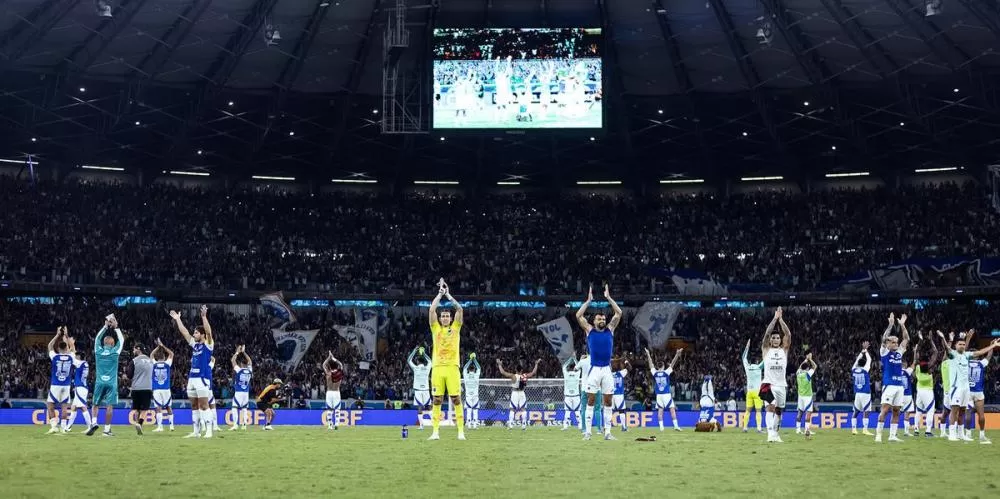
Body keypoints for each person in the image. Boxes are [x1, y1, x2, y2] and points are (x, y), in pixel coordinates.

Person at [576, 284, 623, 441]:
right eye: (599, 318)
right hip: (594, 370)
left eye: (603, 318)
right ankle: (588, 432)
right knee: (590, 400)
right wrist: (588, 301)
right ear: (594, 321)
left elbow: (619, 312)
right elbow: (578, 316)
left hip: (607, 370)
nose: (602, 320)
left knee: (608, 401)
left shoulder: (610, 329)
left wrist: (609, 298)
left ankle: (608, 433)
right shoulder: (589, 330)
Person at [938, 329, 999, 441]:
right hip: (956, 388)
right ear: (956, 346)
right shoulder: (953, 355)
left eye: (963, 344)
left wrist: (993, 346)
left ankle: (961, 434)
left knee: (962, 411)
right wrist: (943, 338)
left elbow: (980, 352)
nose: (962, 346)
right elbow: (946, 348)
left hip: (966, 389)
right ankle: (952, 434)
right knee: (954, 410)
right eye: (960, 344)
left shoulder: (967, 355)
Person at [427, 280, 466, 441]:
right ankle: (435, 432)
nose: (444, 318)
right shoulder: (435, 328)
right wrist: (440, 294)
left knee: (456, 398)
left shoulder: (456, 328)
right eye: (442, 316)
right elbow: (431, 310)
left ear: (450, 319)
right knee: (437, 400)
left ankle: (461, 432)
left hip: (452, 368)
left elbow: (460, 309)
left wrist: (448, 294)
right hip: (437, 368)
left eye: (446, 316)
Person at [170, 306, 214, 439]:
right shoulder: (195, 345)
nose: (193, 334)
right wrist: (178, 319)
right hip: (192, 378)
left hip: (202, 379)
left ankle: (209, 431)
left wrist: (204, 316)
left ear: (202, 335)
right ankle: (196, 431)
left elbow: (209, 332)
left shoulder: (208, 344)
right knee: (194, 406)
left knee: (204, 405)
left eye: (196, 333)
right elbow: (184, 333)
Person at [875, 313, 909, 443]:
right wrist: (890, 325)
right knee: (885, 409)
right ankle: (878, 435)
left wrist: (902, 325)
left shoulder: (899, 352)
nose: (896, 343)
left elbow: (906, 338)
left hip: (899, 386)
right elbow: (884, 338)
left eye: (896, 342)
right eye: (893, 342)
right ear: (888, 343)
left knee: (896, 411)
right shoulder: (884, 352)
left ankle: (892, 435)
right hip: (889, 385)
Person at [88, 314, 124, 437]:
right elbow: (122, 340)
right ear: (113, 344)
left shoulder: (98, 350)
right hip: (111, 383)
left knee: (95, 404)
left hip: (99, 382)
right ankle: (107, 430)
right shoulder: (115, 352)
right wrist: (116, 327)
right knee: (109, 406)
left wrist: (105, 326)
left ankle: (93, 423)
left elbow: (97, 338)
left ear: (103, 343)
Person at [759, 307, 791, 443]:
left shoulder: (784, 350)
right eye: (774, 338)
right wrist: (774, 319)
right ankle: (770, 434)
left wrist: (781, 319)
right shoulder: (766, 350)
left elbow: (788, 335)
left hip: (781, 385)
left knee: (779, 411)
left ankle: (775, 433)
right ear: (771, 340)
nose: (776, 339)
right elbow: (766, 334)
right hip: (768, 384)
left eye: (778, 337)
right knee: (770, 408)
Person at [645, 347, 683, 432]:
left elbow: (650, 364)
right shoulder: (666, 373)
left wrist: (648, 354)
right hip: (666, 394)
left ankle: (661, 428)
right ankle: (676, 426)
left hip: (659, 395)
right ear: (663, 366)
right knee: (672, 410)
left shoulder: (655, 373)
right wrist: (677, 354)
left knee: (660, 411)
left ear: (658, 366)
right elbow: (673, 363)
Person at [497, 359, 540, 430]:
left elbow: (503, 372)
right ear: (521, 370)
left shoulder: (513, 376)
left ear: (515, 370)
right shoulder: (524, 376)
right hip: (522, 393)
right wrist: (536, 364)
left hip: (514, 393)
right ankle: (523, 426)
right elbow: (533, 373)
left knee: (512, 409)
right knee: (523, 409)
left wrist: (499, 364)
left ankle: (510, 425)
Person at [45, 326, 74, 435]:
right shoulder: (71, 356)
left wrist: (58, 334)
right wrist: (66, 335)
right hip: (66, 385)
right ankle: (63, 428)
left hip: (55, 384)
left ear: (58, 348)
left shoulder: (55, 357)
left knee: (50, 405)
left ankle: (54, 427)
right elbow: (73, 348)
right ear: (67, 349)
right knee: (64, 407)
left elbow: (49, 346)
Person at [912, 332, 940, 437]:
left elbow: (915, 357)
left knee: (918, 411)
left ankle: (916, 430)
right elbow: (936, 353)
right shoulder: (929, 370)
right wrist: (931, 340)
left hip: (919, 391)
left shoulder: (918, 368)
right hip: (928, 392)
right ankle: (928, 431)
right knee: (930, 411)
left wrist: (919, 342)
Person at [967, 343, 995, 444]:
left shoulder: (965, 362)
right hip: (978, 392)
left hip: (968, 392)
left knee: (968, 414)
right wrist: (992, 346)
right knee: (981, 415)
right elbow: (988, 356)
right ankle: (982, 436)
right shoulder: (981, 363)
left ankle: (968, 436)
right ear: (978, 354)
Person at [66, 335, 94, 432]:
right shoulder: (84, 363)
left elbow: (72, 354)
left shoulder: (80, 363)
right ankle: (68, 427)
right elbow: (74, 354)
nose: (76, 356)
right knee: (74, 407)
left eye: (77, 356)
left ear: (79, 357)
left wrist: (71, 344)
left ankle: (90, 426)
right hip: (81, 387)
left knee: (83, 407)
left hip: (81, 388)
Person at [129, 345, 154, 435]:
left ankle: (137, 423)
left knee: (136, 408)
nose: (133, 350)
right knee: (144, 409)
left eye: (134, 348)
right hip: (147, 388)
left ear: (138, 349)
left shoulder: (134, 361)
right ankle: (140, 424)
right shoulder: (150, 360)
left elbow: (129, 375)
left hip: (136, 388)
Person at [151, 338, 175, 432]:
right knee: (169, 407)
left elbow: (151, 355)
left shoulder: (154, 364)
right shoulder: (167, 364)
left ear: (157, 358)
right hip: (166, 389)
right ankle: (171, 426)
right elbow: (171, 354)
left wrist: (158, 346)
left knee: (158, 408)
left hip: (157, 389)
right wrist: (163, 346)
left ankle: (160, 427)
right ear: (164, 358)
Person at [740, 339, 764, 433]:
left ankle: (745, 428)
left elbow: (743, 358)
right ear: (757, 361)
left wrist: (747, 347)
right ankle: (758, 428)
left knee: (748, 411)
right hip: (757, 392)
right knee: (758, 411)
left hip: (749, 392)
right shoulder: (759, 367)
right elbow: (766, 359)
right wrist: (766, 348)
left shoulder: (747, 367)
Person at [850, 342, 873, 436]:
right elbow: (870, 359)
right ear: (864, 365)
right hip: (865, 393)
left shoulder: (853, 370)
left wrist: (862, 352)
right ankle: (865, 429)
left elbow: (856, 360)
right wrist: (866, 351)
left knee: (856, 411)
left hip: (857, 393)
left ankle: (854, 429)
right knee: (866, 411)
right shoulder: (865, 370)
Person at [407, 345, 433, 430]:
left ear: (417, 362)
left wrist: (414, 351)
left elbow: (408, 360)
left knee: (419, 408)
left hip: (418, 390)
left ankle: (421, 426)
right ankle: (434, 423)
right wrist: (424, 353)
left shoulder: (416, 368)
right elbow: (430, 361)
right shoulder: (427, 368)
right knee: (429, 406)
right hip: (426, 389)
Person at [229, 345, 253, 431]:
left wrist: (237, 352)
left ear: (242, 364)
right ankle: (244, 425)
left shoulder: (239, 370)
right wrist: (244, 352)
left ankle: (235, 425)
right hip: (246, 392)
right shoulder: (249, 371)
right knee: (244, 409)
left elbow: (232, 360)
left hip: (239, 391)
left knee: (234, 407)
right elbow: (250, 361)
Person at [794, 354, 817, 438]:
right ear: (807, 368)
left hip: (800, 396)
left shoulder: (798, 373)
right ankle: (807, 430)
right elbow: (815, 366)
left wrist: (805, 360)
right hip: (807, 396)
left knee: (800, 412)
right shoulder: (808, 374)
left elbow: (800, 367)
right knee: (808, 413)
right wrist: (810, 359)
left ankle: (798, 429)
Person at [322, 351, 345, 431]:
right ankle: (337, 424)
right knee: (337, 409)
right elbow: (341, 365)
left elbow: (323, 365)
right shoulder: (339, 373)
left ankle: (330, 425)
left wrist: (329, 357)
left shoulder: (328, 373)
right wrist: (334, 359)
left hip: (329, 392)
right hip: (336, 392)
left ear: (330, 367)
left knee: (329, 410)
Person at [560, 355, 581, 431]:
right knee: (577, 412)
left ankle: (565, 426)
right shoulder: (577, 374)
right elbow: (579, 366)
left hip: (568, 396)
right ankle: (580, 426)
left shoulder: (566, 374)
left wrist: (570, 358)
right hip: (576, 396)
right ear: (574, 368)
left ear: (569, 368)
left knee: (567, 412)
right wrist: (574, 358)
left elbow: (564, 366)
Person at [611, 358, 631, 432]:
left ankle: (606, 427)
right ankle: (624, 427)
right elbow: (629, 368)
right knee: (621, 411)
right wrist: (626, 361)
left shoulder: (608, 374)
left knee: (609, 410)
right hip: (619, 394)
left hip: (610, 394)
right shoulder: (621, 373)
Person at [462, 353, 481, 429]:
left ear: (469, 370)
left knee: (469, 409)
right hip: (475, 395)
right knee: (475, 410)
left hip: (468, 395)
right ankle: (475, 425)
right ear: (474, 369)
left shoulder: (466, 376)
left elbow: (464, 368)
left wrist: (470, 360)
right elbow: (479, 368)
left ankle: (469, 425)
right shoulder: (476, 375)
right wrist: (474, 359)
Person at [207, 357, 221, 432]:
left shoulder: (199, 367)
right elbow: (213, 359)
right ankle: (215, 426)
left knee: (202, 409)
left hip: (201, 390)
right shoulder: (209, 367)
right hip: (208, 390)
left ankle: (203, 427)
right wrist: (208, 354)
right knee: (212, 408)